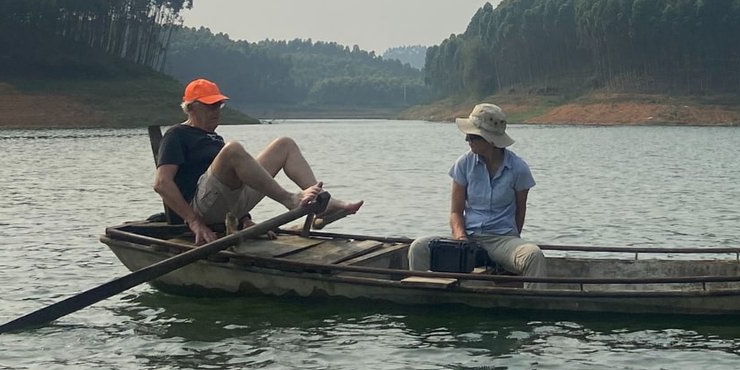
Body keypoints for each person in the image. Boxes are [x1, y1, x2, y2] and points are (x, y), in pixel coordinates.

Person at [153, 78, 363, 245]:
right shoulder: (177, 135)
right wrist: (194, 222)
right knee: (233, 149)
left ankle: (324, 202)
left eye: (219, 106)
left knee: (284, 144)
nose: (216, 111)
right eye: (210, 106)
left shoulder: (215, 139)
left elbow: (228, 187)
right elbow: (162, 184)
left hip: (225, 205)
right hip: (198, 209)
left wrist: (245, 219)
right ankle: (290, 199)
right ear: (191, 108)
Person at [408, 103, 545, 277]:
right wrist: (461, 238)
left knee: (534, 256)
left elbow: (520, 210)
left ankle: (530, 302)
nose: (468, 141)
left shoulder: (518, 168)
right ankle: (421, 296)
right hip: (468, 236)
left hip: (502, 240)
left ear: (491, 141)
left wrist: (512, 240)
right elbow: (456, 212)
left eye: (473, 137)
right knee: (418, 247)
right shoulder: (464, 164)